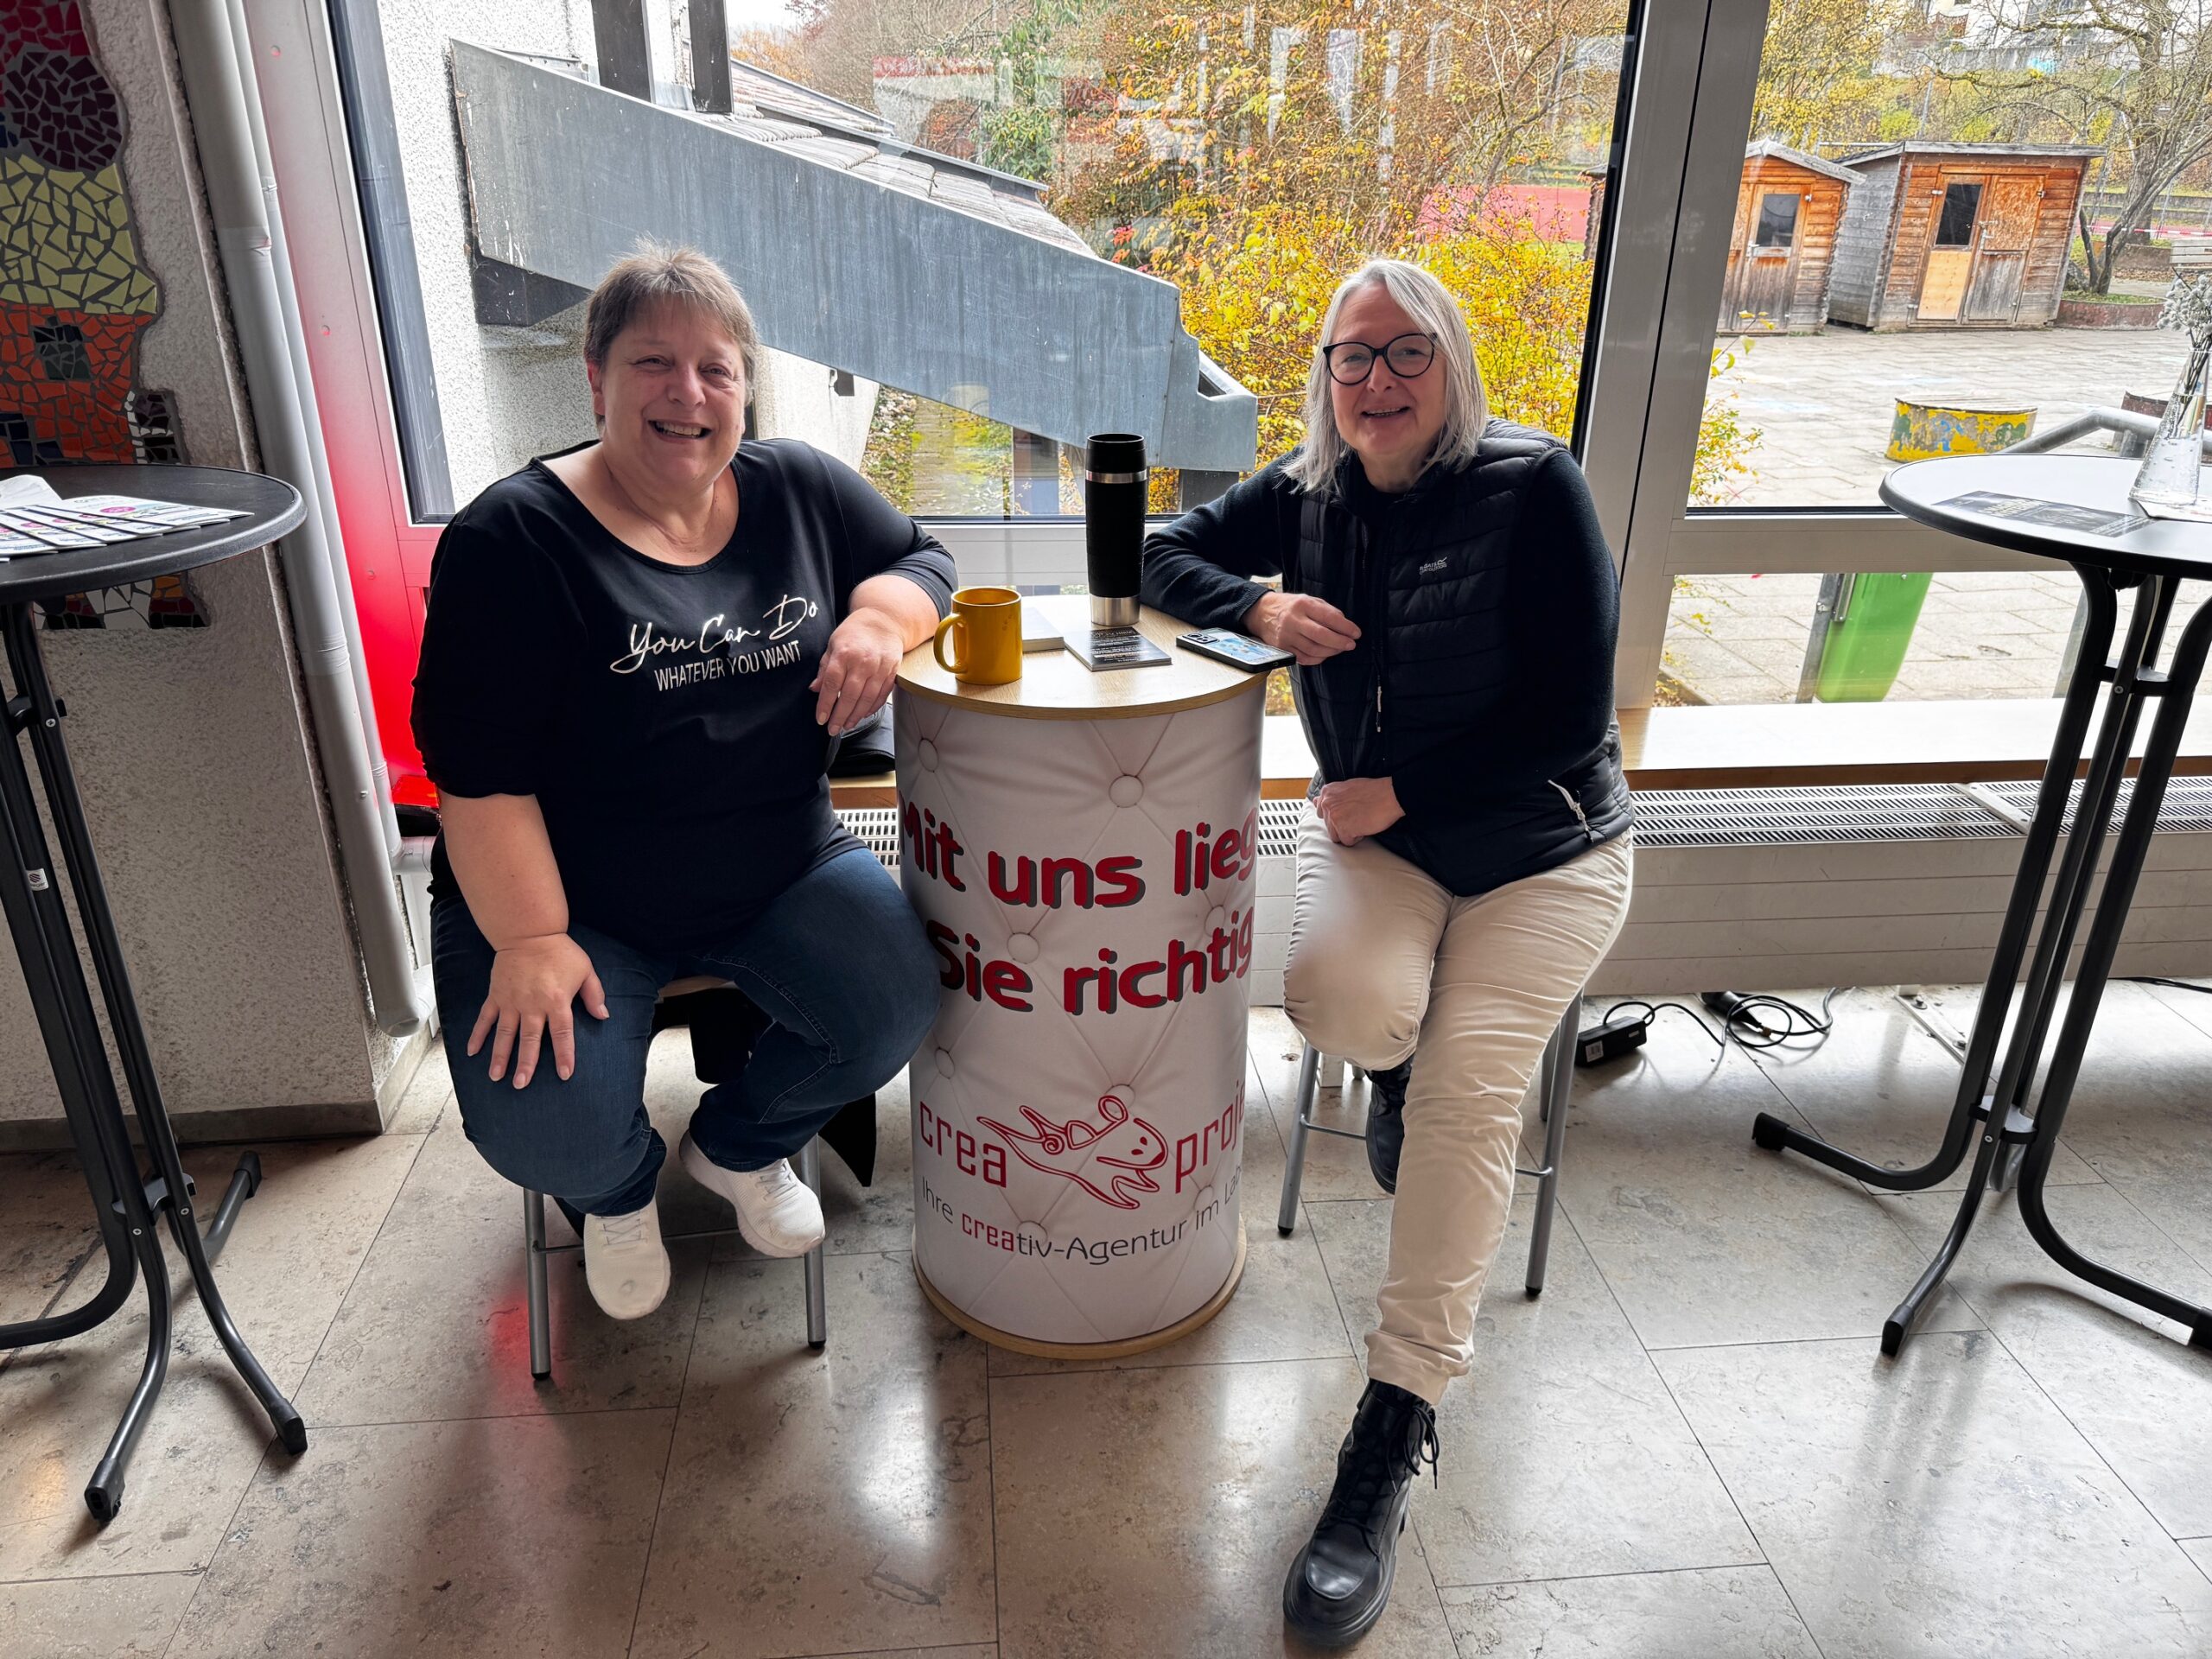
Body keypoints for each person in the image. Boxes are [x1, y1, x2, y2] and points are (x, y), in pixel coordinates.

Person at [1142, 257, 1633, 1645]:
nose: (1376, 379)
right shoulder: (1308, 494)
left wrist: (1403, 790)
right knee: (1343, 1002)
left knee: (1476, 1095)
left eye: (1404, 349)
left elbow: (1569, 717)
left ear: (1450, 360)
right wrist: (1256, 607)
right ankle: (1394, 1072)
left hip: (1545, 850)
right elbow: (1152, 551)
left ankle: (1392, 1425)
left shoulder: (1535, 487)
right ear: (1327, 380)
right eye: (1350, 357)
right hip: (1389, 849)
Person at [412, 244, 947, 1321]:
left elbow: (924, 558)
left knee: (894, 1006)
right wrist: (530, 939)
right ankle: (615, 1194)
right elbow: (476, 775)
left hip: (779, 863)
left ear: (744, 385)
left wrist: (877, 622)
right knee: (541, 1124)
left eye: (716, 368)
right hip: (565, 897)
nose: (687, 392)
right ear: (596, 378)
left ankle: (736, 1148)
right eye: (653, 362)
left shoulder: (799, 486)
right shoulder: (511, 540)